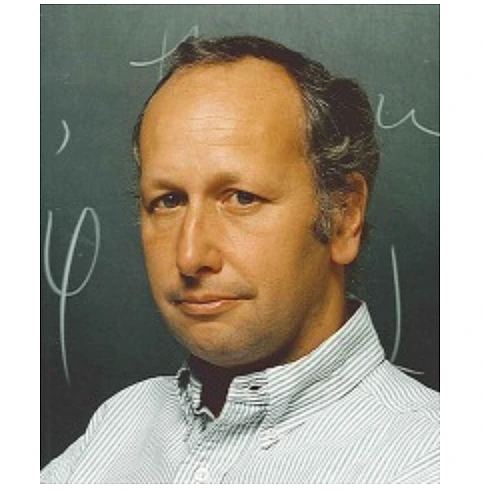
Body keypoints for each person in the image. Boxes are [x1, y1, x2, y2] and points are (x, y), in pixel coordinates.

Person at [40, 35, 439, 484]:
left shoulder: (432, 461)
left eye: (242, 198)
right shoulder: (120, 424)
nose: (190, 256)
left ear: (344, 216)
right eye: (168, 201)